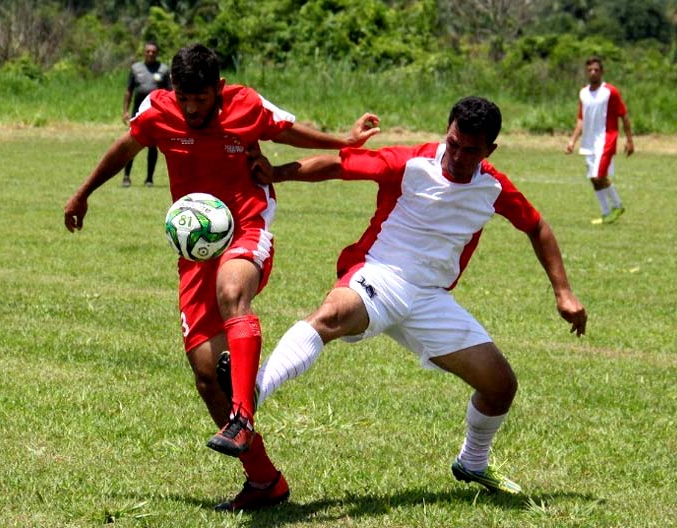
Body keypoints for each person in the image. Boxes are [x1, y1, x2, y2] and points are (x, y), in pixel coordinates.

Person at [64, 43, 379, 511]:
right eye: (183, 97)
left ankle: (243, 415)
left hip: (247, 225)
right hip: (196, 248)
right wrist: (84, 192)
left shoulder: (246, 105)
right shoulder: (159, 109)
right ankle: (265, 481)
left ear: (218, 89)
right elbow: (125, 146)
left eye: (201, 98)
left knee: (233, 292)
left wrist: (345, 142)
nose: (191, 107)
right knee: (208, 375)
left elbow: (291, 132)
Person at [240, 96, 586, 496]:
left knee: (500, 386)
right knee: (331, 316)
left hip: (430, 300)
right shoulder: (411, 163)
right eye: (453, 143)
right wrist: (277, 174)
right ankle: (247, 401)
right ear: (447, 131)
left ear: (489, 149)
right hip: (381, 275)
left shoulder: (492, 187)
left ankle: (473, 463)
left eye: (471, 150)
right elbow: (340, 164)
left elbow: (537, 226)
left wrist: (563, 292)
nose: (457, 155)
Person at [564, 56, 634, 224]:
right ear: (586, 72)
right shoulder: (583, 93)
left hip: (606, 139)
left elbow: (623, 116)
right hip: (589, 142)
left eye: (596, 69)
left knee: (598, 175)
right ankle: (606, 212)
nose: (593, 72)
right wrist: (572, 141)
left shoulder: (610, 91)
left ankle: (617, 205)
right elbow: (581, 120)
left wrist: (630, 140)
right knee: (594, 178)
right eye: (590, 70)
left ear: (602, 72)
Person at [121, 41, 171, 187]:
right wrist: (125, 111)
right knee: (131, 144)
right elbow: (128, 90)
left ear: (157, 53)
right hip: (137, 113)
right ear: (144, 52)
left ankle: (149, 179)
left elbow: (170, 92)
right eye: (148, 51)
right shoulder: (136, 69)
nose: (150, 54)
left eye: (153, 52)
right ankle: (126, 176)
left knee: (152, 146)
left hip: (155, 115)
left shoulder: (163, 70)